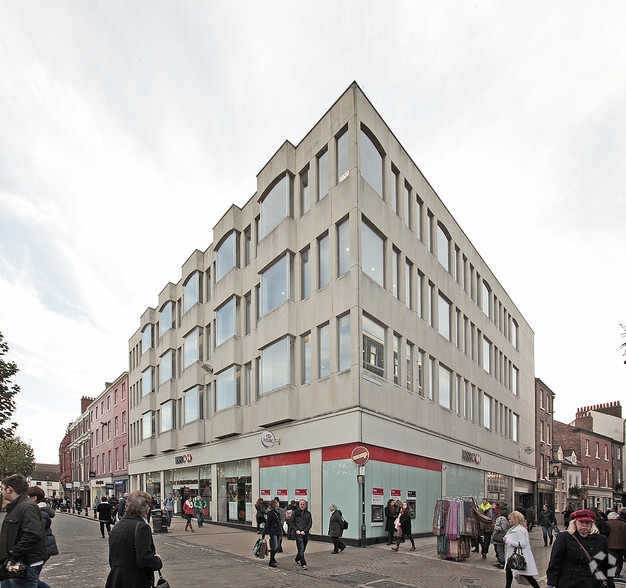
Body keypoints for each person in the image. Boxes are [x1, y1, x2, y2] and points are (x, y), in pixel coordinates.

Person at [105, 490, 162, 588]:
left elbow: (112, 559)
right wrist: (157, 560)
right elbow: (145, 560)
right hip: (135, 580)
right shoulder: (142, 527)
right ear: (145, 508)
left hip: (116, 580)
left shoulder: (117, 526)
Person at [546, 508, 615, 588]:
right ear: (574, 523)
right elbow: (555, 561)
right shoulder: (564, 538)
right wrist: (551, 583)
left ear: (592, 524)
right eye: (581, 522)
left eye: (587, 522)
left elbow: (608, 563)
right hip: (569, 582)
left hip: (593, 582)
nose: (584, 525)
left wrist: (610, 582)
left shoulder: (601, 540)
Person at [0, 474, 48, 587]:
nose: (1, 492)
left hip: (25, 561)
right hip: (15, 559)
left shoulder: (27, 507)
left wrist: (13, 553)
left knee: (25, 583)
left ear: (9, 489)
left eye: (2, 488)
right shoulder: (15, 507)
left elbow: (33, 534)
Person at [26, 486, 57, 588]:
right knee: (30, 578)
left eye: (27, 497)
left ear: (34, 498)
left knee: (30, 578)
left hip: (42, 548)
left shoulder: (41, 512)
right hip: (41, 548)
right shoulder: (37, 510)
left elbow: (36, 531)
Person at [502, 510, 540, 588]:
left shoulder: (520, 530)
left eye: (510, 519)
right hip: (512, 556)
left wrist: (508, 540)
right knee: (509, 571)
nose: (509, 520)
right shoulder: (515, 528)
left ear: (515, 519)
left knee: (527, 576)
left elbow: (522, 544)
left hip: (518, 556)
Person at [291, 499, 312, 570]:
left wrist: (305, 531)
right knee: (301, 548)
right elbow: (291, 522)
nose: (302, 505)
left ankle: (297, 558)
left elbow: (310, 523)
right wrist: (296, 530)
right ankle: (303, 563)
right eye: (301, 504)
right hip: (298, 533)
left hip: (305, 533)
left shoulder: (308, 514)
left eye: (303, 504)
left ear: (305, 505)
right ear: (299, 505)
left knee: (303, 548)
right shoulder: (295, 512)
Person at [606, 507, 626, 579]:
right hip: (621, 545)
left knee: (611, 559)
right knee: (619, 559)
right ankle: (617, 573)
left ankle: (611, 573)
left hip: (609, 544)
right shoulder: (623, 524)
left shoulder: (606, 523)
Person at [262, 500, 282, 568]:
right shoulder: (270, 513)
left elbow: (279, 522)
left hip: (278, 531)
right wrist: (264, 533)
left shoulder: (277, 512)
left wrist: (282, 531)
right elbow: (268, 523)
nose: (278, 504)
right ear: (274, 504)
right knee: (275, 546)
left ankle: (273, 558)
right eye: (277, 503)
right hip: (273, 531)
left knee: (278, 547)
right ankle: (271, 561)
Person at [492, 504, 510, 568]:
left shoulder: (502, 519)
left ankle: (502, 563)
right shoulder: (503, 518)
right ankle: (501, 561)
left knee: (500, 550)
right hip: (500, 536)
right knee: (499, 550)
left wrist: (495, 526)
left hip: (499, 536)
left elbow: (503, 528)